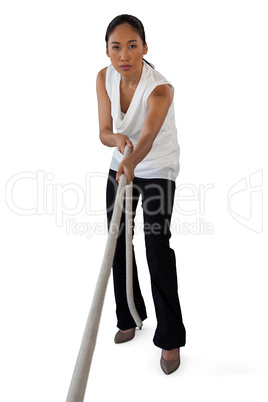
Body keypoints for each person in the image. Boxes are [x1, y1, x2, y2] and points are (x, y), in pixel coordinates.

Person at [96, 14, 186, 375]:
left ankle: (170, 338)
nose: (124, 55)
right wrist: (118, 142)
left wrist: (132, 156)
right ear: (107, 51)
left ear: (145, 48)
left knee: (155, 245)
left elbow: (148, 136)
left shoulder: (160, 89)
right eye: (116, 47)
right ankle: (129, 316)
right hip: (123, 161)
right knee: (116, 242)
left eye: (132, 45)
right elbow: (104, 130)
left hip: (157, 166)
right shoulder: (103, 77)